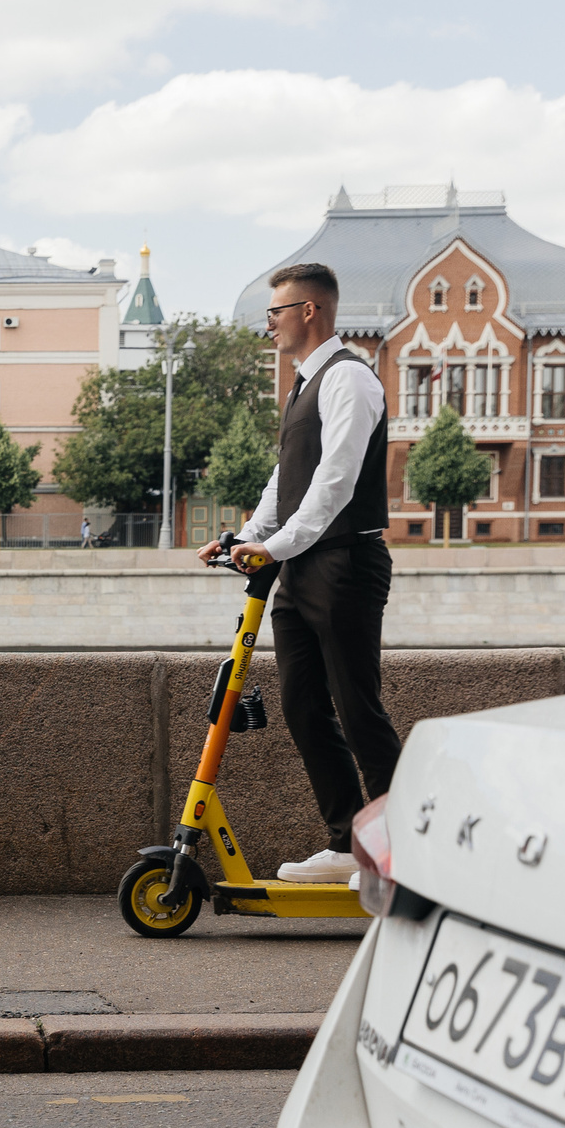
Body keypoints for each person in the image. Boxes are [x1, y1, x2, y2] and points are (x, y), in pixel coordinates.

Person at [199, 260, 400, 885]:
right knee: (303, 705)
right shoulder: (304, 384)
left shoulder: (351, 382)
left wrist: (277, 546)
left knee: (357, 708)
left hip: (344, 562)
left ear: (309, 311)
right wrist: (248, 537)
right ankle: (348, 843)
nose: (270, 326)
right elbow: (287, 481)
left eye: (275, 313)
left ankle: (411, 846)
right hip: (302, 563)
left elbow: (336, 481)